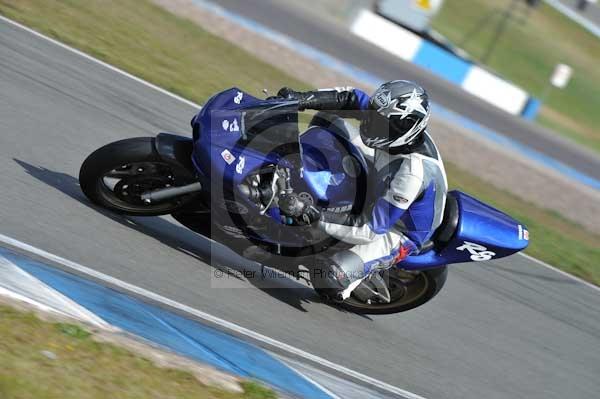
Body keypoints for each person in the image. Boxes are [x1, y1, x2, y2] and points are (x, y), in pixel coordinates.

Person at [278, 81, 448, 301]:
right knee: (327, 121)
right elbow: (350, 98)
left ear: (404, 128)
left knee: (329, 278)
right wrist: (300, 98)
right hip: (382, 176)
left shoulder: (412, 174)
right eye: (374, 115)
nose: (371, 123)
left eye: (382, 122)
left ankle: (349, 278)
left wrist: (314, 215)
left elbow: (370, 229)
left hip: (396, 229)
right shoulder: (391, 124)